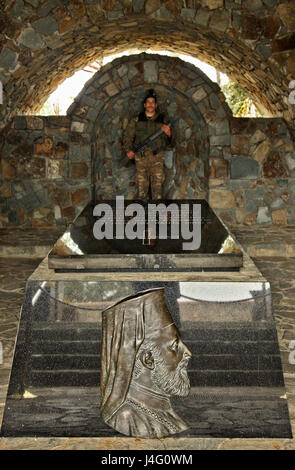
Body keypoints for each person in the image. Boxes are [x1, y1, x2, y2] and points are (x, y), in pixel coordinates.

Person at [100, 287, 192, 438]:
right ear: (148, 359)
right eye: (175, 347)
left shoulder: (163, 413)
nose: (188, 353)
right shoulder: (127, 419)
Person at [123, 89, 172, 200]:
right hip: (140, 157)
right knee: (142, 187)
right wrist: (128, 150)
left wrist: (169, 134)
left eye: (152, 102)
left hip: (157, 157)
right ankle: (142, 213)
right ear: (144, 105)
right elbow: (128, 136)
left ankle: (157, 213)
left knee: (157, 187)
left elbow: (169, 141)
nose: (150, 104)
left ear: (156, 105)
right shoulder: (136, 120)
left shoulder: (162, 120)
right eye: (148, 102)